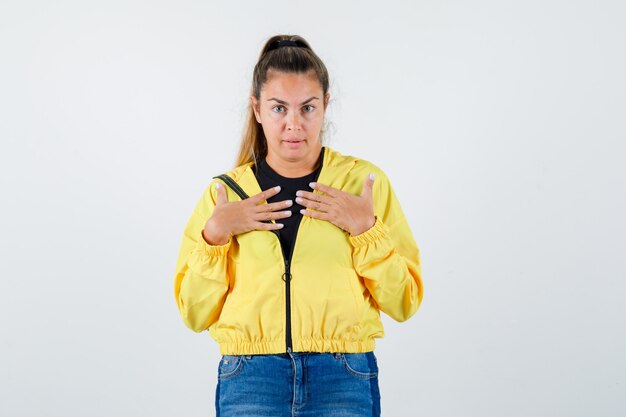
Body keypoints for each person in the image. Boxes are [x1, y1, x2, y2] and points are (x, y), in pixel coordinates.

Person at [173, 34, 424, 417]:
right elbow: (194, 314)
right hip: (250, 378)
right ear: (256, 109)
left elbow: (404, 301)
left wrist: (366, 231)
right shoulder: (225, 194)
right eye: (278, 108)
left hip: (343, 375)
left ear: (325, 105)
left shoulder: (364, 185)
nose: (294, 124)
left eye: (307, 107)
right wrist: (215, 237)